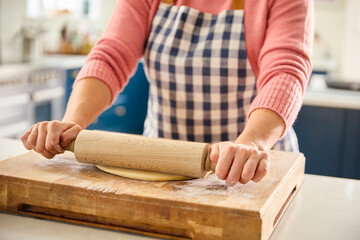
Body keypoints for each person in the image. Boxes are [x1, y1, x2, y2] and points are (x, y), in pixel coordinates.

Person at [21, 0, 314, 186]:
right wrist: (72, 124)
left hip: (250, 170)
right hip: (161, 163)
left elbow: (285, 71)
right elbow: (111, 57)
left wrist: (251, 143)